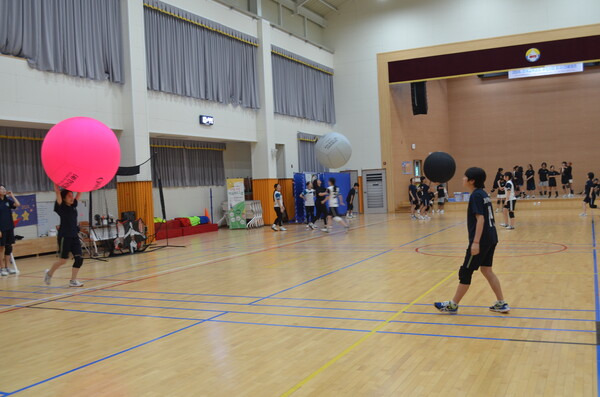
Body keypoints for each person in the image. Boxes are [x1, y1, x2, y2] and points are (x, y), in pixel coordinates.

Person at [434, 167, 509, 314]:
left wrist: (475, 242)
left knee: (466, 271)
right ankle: (501, 303)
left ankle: (453, 305)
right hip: (491, 237)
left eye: (465, 176)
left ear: (472, 180)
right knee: (487, 270)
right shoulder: (483, 194)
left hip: (481, 240)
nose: (462, 179)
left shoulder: (475, 196)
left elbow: (480, 218)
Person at [44, 184, 84, 287]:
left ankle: (73, 280)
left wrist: (83, 184)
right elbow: (57, 192)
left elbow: (79, 192)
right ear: (64, 198)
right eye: (69, 196)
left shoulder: (73, 205)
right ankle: (49, 274)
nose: (72, 197)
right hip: (64, 237)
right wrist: (56, 184)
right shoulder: (61, 207)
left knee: (79, 258)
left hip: (74, 236)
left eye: (72, 195)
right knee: (63, 260)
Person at [0, 185, 20, 276]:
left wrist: (12, 196)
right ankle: (2, 268)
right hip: (1, 229)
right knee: (1, 248)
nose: (4, 190)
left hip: (9, 228)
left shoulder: (7, 200)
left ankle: (7, 267)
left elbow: (17, 204)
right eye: (1, 189)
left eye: (4, 188)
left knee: (8, 247)